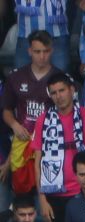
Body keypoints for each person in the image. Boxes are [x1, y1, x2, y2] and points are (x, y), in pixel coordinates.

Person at [31, 74, 85, 222]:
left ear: (72, 90)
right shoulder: (43, 120)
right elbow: (38, 163)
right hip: (53, 194)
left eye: (62, 90)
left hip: (82, 192)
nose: (58, 96)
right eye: (54, 92)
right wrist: (42, 199)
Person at [2, 32, 61, 167]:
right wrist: (14, 125)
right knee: (21, 186)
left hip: (50, 144)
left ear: (52, 51)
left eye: (46, 51)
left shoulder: (61, 79)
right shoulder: (15, 77)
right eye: (37, 51)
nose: (42, 56)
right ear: (29, 51)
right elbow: (7, 110)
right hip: (22, 142)